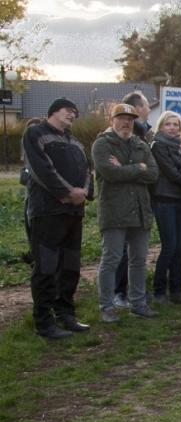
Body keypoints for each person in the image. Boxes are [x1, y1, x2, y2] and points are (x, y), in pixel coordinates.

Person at [23, 98, 92, 338]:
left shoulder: (76, 143)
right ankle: (44, 322)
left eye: (75, 113)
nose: (73, 115)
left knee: (70, 267)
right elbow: (41, 169)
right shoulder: (35, 134)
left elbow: (87, 171)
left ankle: (66, 314)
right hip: (47, 212)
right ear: (54, 111)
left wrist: (84, 192)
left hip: (74, 212)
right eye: (69, 110)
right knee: (46, 267)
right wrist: (66, 192)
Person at [93, 103, 160, 322]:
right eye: (121, 118)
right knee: (111, 259)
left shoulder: (140, 144)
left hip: (140, 210)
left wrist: (125, 168)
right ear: (112, 120)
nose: (126, 123)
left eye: (130, 119)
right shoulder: (102, 144)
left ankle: (138, 303)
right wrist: (138, 168)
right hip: (114, 211)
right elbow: (109, 173)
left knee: (139, 259)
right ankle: (106, 306)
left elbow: (153, 173)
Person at [110, 91, 153, 309]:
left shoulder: (142, 135)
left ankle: (136, 294)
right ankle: (118, 292)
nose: (149, 108)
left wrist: (130, 169)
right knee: (120, 253)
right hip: (120, 204)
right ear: (138, 107)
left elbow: (153, 172)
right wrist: (138, 168)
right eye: (146, 104)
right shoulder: (116, 137)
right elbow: (113, 171)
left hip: (140, 200)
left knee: (137, 254)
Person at [150, 111, 181, 304]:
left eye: (175, 124)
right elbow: (170, 172)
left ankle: (176, 290)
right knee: (169, 246)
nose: (172, 128)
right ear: (161, 126)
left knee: (179, 246)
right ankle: (159, 290)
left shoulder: (179, 147)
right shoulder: (158, 146)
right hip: (164, 199)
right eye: (168, 124)